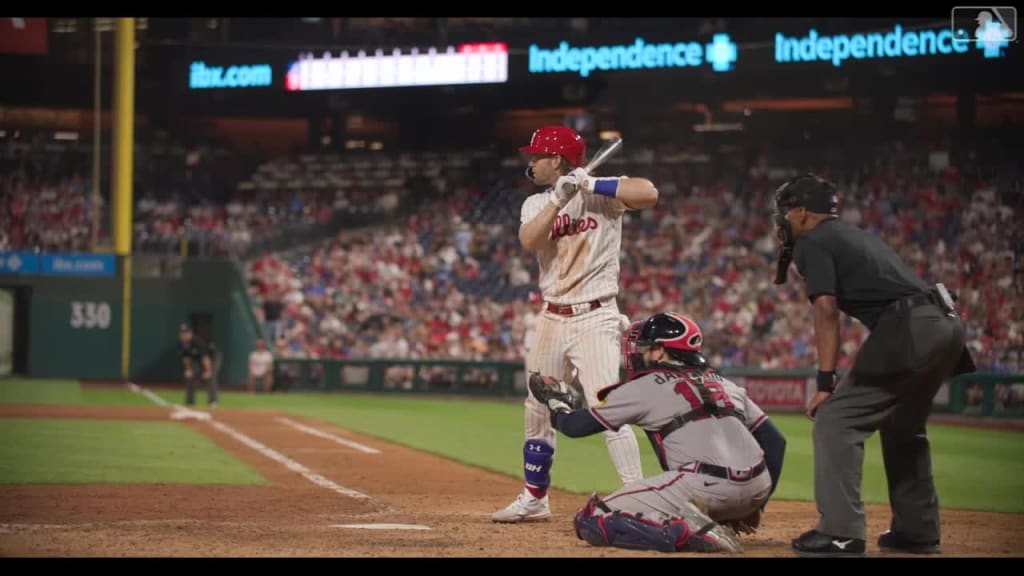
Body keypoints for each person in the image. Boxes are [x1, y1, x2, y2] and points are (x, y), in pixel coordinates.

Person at [771, 174, 976, 557]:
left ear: (800, 212)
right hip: (945, 324)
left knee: (837, 420)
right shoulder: (848, 234)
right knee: (903, 427)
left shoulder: (812, 241)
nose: (780, 221)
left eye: (784, 212)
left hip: (910, 327)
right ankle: (917, 532)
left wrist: (825, 382)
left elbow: (826, 309)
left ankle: (841, 533)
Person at [492, 125, 660, 523]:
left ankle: (638, 496)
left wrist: (591, 184)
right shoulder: (536, 203)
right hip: (553, 315)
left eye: (537, 156)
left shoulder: (602, 195)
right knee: (537, 407)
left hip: (597, 315)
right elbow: (530, 241)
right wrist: (558, 198)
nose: (531, 162)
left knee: (607, 406)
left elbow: (649, 193)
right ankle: (535, 498)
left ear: (557, 160)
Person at [527, 311, 787, 553]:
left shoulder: (645, 386)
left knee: (591, 520)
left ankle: (691, 534)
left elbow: (574, 427)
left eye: (647, 347)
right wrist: (755, 507)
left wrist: (556, 404)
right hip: (756, 489)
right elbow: (775, 443)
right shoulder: (726, 384)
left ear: (662, 351)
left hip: (704, 487)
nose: (640, 354)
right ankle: (721, 519)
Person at [178, 323, 219, 408]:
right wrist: (188, 369)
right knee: (191, 377)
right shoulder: (182, 343)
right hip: (196, 360)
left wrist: (208, 371)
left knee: (211, 377)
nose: (184, 335)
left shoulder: (197, 341)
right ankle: (190, 402)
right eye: (182, 333)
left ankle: (213, 401)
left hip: (212, 358)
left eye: (186, 333)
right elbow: (186, 358)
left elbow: (205, 358)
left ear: (190, 333)